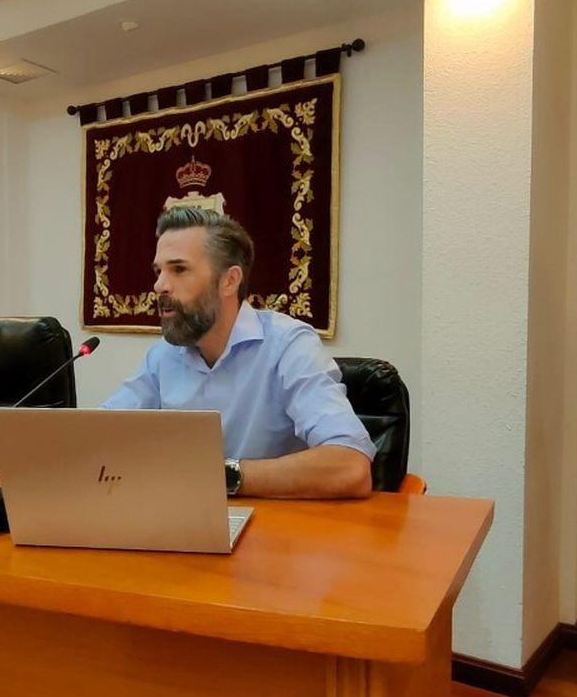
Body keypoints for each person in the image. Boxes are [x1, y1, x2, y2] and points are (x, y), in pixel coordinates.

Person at [103, 207, 375, 499]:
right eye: (158, 271)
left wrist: (221, 476)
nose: (159, 286)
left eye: (178, 269)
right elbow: (100, 436)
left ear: (229, 281)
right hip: (187, 524)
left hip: (277, 532)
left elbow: (350, 466)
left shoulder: (288, 345)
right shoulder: (163, 356)